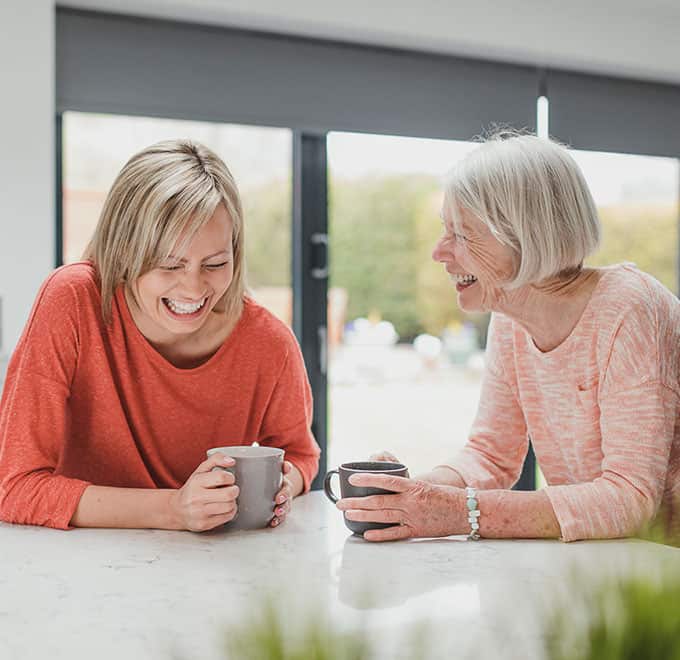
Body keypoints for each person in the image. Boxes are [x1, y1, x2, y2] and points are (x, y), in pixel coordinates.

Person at [337, 132, 679, 543]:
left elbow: (629, 497)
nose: (439, 253)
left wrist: (455, 513)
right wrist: (409, 496)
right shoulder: (510, 318)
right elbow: (490, 455)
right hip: (613, 563)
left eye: (461, 234)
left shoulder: (629, 309)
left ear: (525, 235)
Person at [0, 139, 320, 531]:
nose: (193, 288)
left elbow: (301, 456)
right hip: (77, 565)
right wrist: (174, 509)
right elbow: (13, 486)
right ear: (123, 252)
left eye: (216, 263)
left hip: (208, 568)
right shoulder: (72, 300)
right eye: (169, 265)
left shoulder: (269, 343)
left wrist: (284, 485)